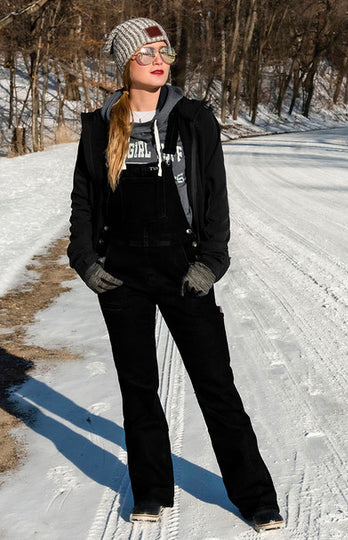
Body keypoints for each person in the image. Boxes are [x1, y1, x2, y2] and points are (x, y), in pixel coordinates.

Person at [67, 17, 284, 532]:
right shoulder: (99, 126)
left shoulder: (193, 118)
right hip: (121, 276)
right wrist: (86, 261)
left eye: (163, 50)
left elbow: (216, 198)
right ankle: (150, 490)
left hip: (184, 270)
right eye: (145, 53)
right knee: (138, 387)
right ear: (125, 64)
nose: (158, 60)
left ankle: (255, 496)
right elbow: (83, 202)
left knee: (216, 384)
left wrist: (211, 262)